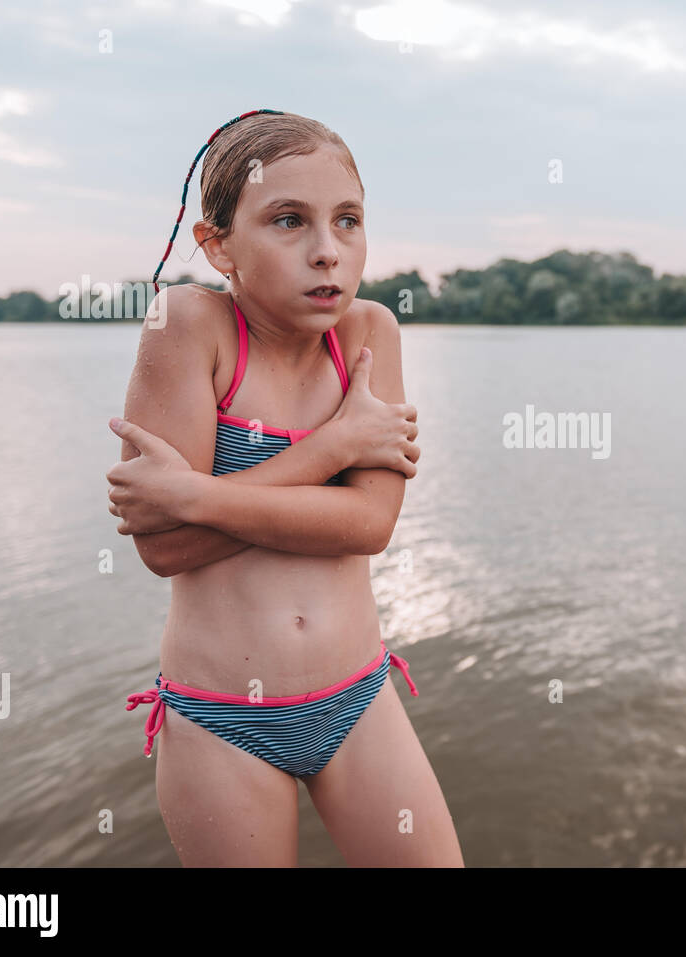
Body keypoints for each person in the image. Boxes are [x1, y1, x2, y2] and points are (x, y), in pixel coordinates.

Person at [107, 109, 463, 866]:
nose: (328, 252)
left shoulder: (369, 335)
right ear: (218, 245)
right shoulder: (188, 324)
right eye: (288, 220)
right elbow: (165, 549)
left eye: (348, 220)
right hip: (220, 718)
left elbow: (369, 522)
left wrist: (193, 494)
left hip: (359, 696)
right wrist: (333, 447)